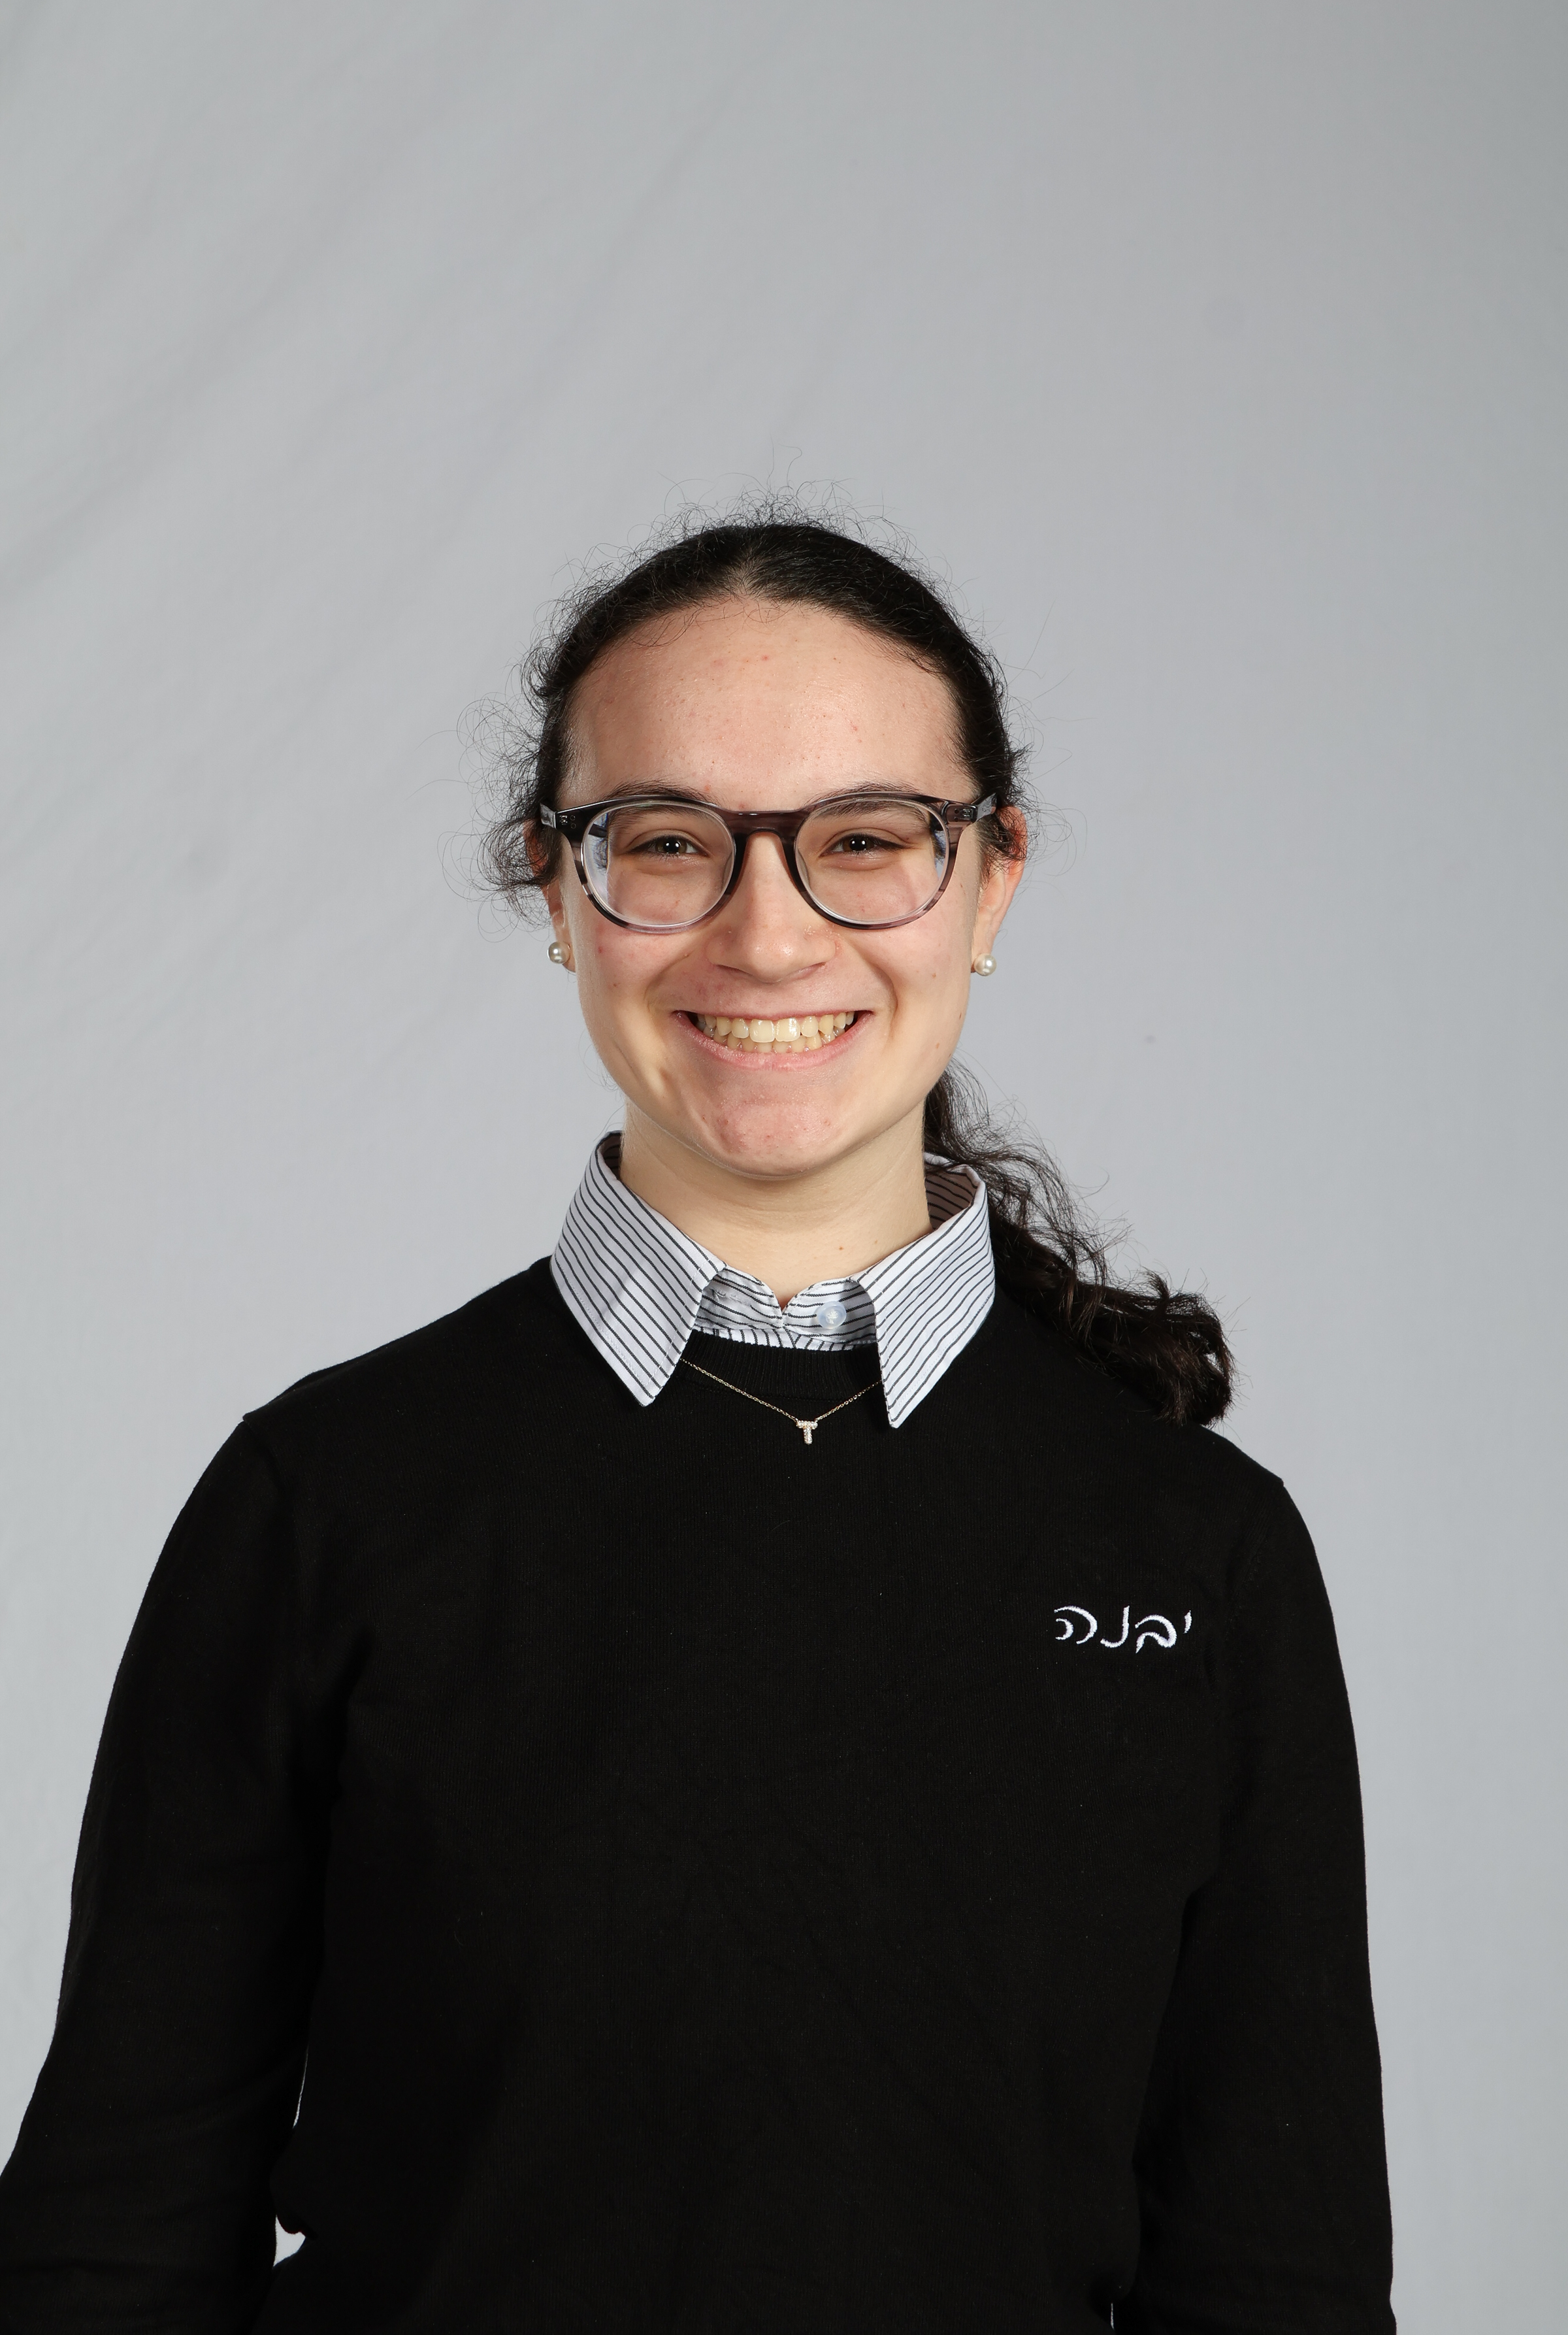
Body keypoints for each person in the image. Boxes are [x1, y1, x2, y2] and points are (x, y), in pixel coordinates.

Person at [0, 512, 1396, 2332]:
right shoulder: (325, 1502)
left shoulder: (1199, 1554)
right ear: (558, 886)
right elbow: (111, 2242)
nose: (768, 932)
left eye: (864, 842)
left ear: (992, 882)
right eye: (669, 842)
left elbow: (1278, 2284)